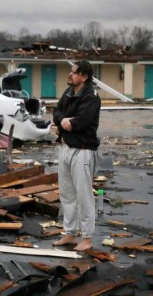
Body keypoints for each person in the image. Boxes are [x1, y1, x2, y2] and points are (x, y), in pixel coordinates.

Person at [52, 60, 101, 251]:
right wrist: (63, 120)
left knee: (84, 195)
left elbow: (81, 122)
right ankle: (70, 234)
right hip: (65, 148)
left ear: (84, 76)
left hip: (82, 151)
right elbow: (57, 112)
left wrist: (68, 123)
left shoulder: (91, 96)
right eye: (70, 71)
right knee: (67, 194)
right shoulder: (69, 92)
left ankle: (87, 238)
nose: (70, 74)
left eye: (74, 72)